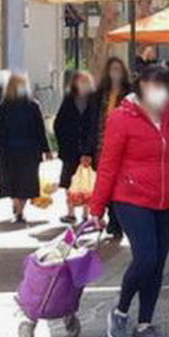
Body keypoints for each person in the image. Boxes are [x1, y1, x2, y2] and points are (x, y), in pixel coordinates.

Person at [91, 65, 169, 337]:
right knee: (145, 257)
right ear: (140, 88)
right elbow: (108, 166)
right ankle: (120, 312)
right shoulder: (121, 119)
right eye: (150, 87)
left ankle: (145, 324)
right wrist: (96, 207)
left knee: (158, 261)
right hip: (132, 198)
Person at [0, 73, 52, 223]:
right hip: (29, 152)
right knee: (26, 183)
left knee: (12, 181)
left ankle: (16, 204)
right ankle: (20, 210)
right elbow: (40, 131)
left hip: (8, 152)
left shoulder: (3, 107)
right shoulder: (33, 105)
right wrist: (47, 150)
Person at [93, 57, 134, 240]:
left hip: (123, 144)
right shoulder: (99, 93)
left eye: (118, 69)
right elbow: (91, 121)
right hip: (102, 143)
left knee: (118, 182)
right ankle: (112, 216)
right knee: (105, 181)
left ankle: (117, 221)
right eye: (112, 70)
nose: (115, 74)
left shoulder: (130, 92)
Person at [54, 71, 97, 224]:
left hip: (89, 147)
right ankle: (71, 212)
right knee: (69, 181)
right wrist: (63, 143)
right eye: (79, 81)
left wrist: (90, 148)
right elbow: (59, 123)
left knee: (88, 181)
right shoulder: (69, 99)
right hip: (70, 149)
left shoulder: (94, 100)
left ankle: (86, 212)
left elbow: (95, 125)